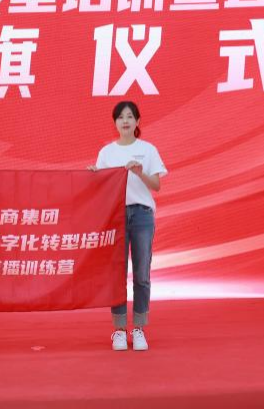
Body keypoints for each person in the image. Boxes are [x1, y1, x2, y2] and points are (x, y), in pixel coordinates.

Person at [90, 101, 167, 351]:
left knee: (142, 274)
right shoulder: (107, 153)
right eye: (121, 117)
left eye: (130, 117)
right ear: (115, 122)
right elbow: (100, 187)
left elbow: (156, 185)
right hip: (116, 216)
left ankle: (139, 328)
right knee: (117, 274)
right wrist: (92, 176)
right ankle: (119, 330)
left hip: (142, 215)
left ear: (137, 122)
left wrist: (140, 172)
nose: (125, 121)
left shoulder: (148, 149)